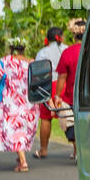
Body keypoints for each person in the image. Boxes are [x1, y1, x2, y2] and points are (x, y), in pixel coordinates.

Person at [0, 40, 38, 172]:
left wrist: (4, 75)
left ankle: (23, 162)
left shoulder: (5, 61)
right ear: (24, 49)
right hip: (29, 103)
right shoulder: (32, 62)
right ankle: (20, 156)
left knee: (14, 131)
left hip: (11, 103)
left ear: (11, 48)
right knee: (23, 130)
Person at [52, 18, 85, 159]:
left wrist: (57, 96)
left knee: (72, 124)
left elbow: (62, 78)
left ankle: (78, 151)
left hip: (72, 96)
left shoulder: (68, 53)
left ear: (74, 35)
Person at [33, 27, 66, 158]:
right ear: (60, 37)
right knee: (70, 117)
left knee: (46, 118)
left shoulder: (42, 52)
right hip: (64, 85)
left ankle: (43, 149)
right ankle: (75, 151)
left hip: (47, 86)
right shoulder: (66, 49)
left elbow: (37, 74)